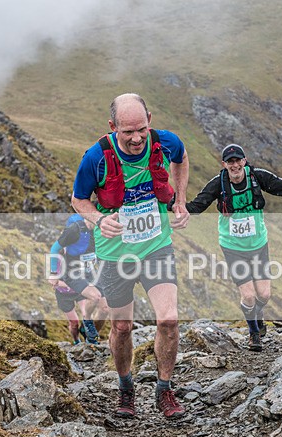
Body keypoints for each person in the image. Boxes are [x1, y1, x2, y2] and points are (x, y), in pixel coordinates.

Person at [71, 93, 191, 419]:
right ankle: (126, 387)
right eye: (128, 132)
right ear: (113, 127)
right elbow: (78, 200)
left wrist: (180, 201)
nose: (137, 138)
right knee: (122, 327)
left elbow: (181, 159)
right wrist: (98, 219)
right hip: (116, 255)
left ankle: (165, 390)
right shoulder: (94, 158)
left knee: (168, 319)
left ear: (149, 119)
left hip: (156, 246)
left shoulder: (165, 142)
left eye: (142, 128)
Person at [183, 143, 282, 351]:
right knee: (248, 295)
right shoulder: (218, 184)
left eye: (238, 160)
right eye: (230, 162)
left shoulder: (257, 177)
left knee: (264, 295)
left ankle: (257, 314)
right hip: (232, 247)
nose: (235, 165)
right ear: (224, 165)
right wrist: (171, 204)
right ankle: (254, 333)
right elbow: (196, 207)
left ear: (244, 161)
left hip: (258, 244)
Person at [48, 213, 109, 344]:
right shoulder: (75, 230)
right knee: (94, 297)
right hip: (73, 274)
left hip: (91, 272)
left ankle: (89, 336)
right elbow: (54, 249)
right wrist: (53, 273)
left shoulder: (101, 230)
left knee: (105, 309)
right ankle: (85, 325)